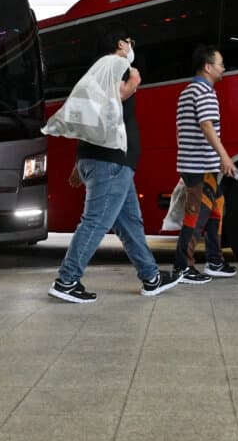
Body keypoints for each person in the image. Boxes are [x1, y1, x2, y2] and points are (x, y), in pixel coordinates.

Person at [48, 24, 182, 303]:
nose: (132, 47)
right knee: (96, 221)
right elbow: (114, 98)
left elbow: (91, 117)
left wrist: (78, 162)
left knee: (130, 222)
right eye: (129, 41)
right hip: (110, 163)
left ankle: (151, 277)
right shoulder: (116, 66)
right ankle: (67, 280)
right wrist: (134, 79)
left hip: (104, 161)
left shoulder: (97, 70)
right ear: (121, 45)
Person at [173, 45, 238, 284]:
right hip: (200, 166)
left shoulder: (188, 91)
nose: (223, 69)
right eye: (220, 64)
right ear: (208, 67)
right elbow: (207, 125)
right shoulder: (204, 92)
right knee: (196, 214)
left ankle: (214, 260)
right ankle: (183, 266)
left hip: (196, 163)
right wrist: (224, 156)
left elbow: (184, 129)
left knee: (216, 206)